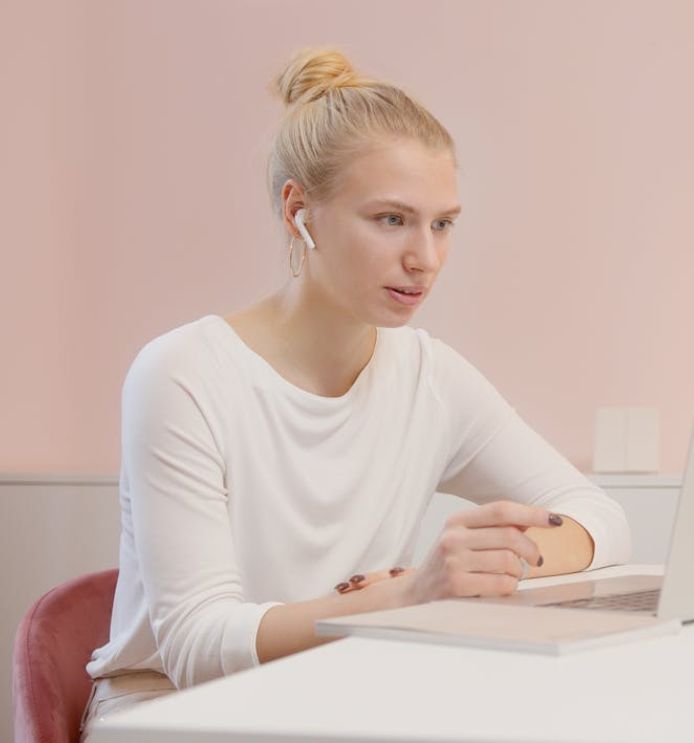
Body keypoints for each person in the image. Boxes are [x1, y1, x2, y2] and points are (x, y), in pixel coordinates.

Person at [79, 47, 631, 740]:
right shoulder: (183, 373)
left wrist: (492, 565)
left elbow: (599, 517)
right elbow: (195, 646)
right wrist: (406, 594)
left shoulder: (431, 376)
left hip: (334, 701)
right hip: (170, 717)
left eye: (443, 222)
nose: (424, 258)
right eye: (391, 219)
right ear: (298, 211)